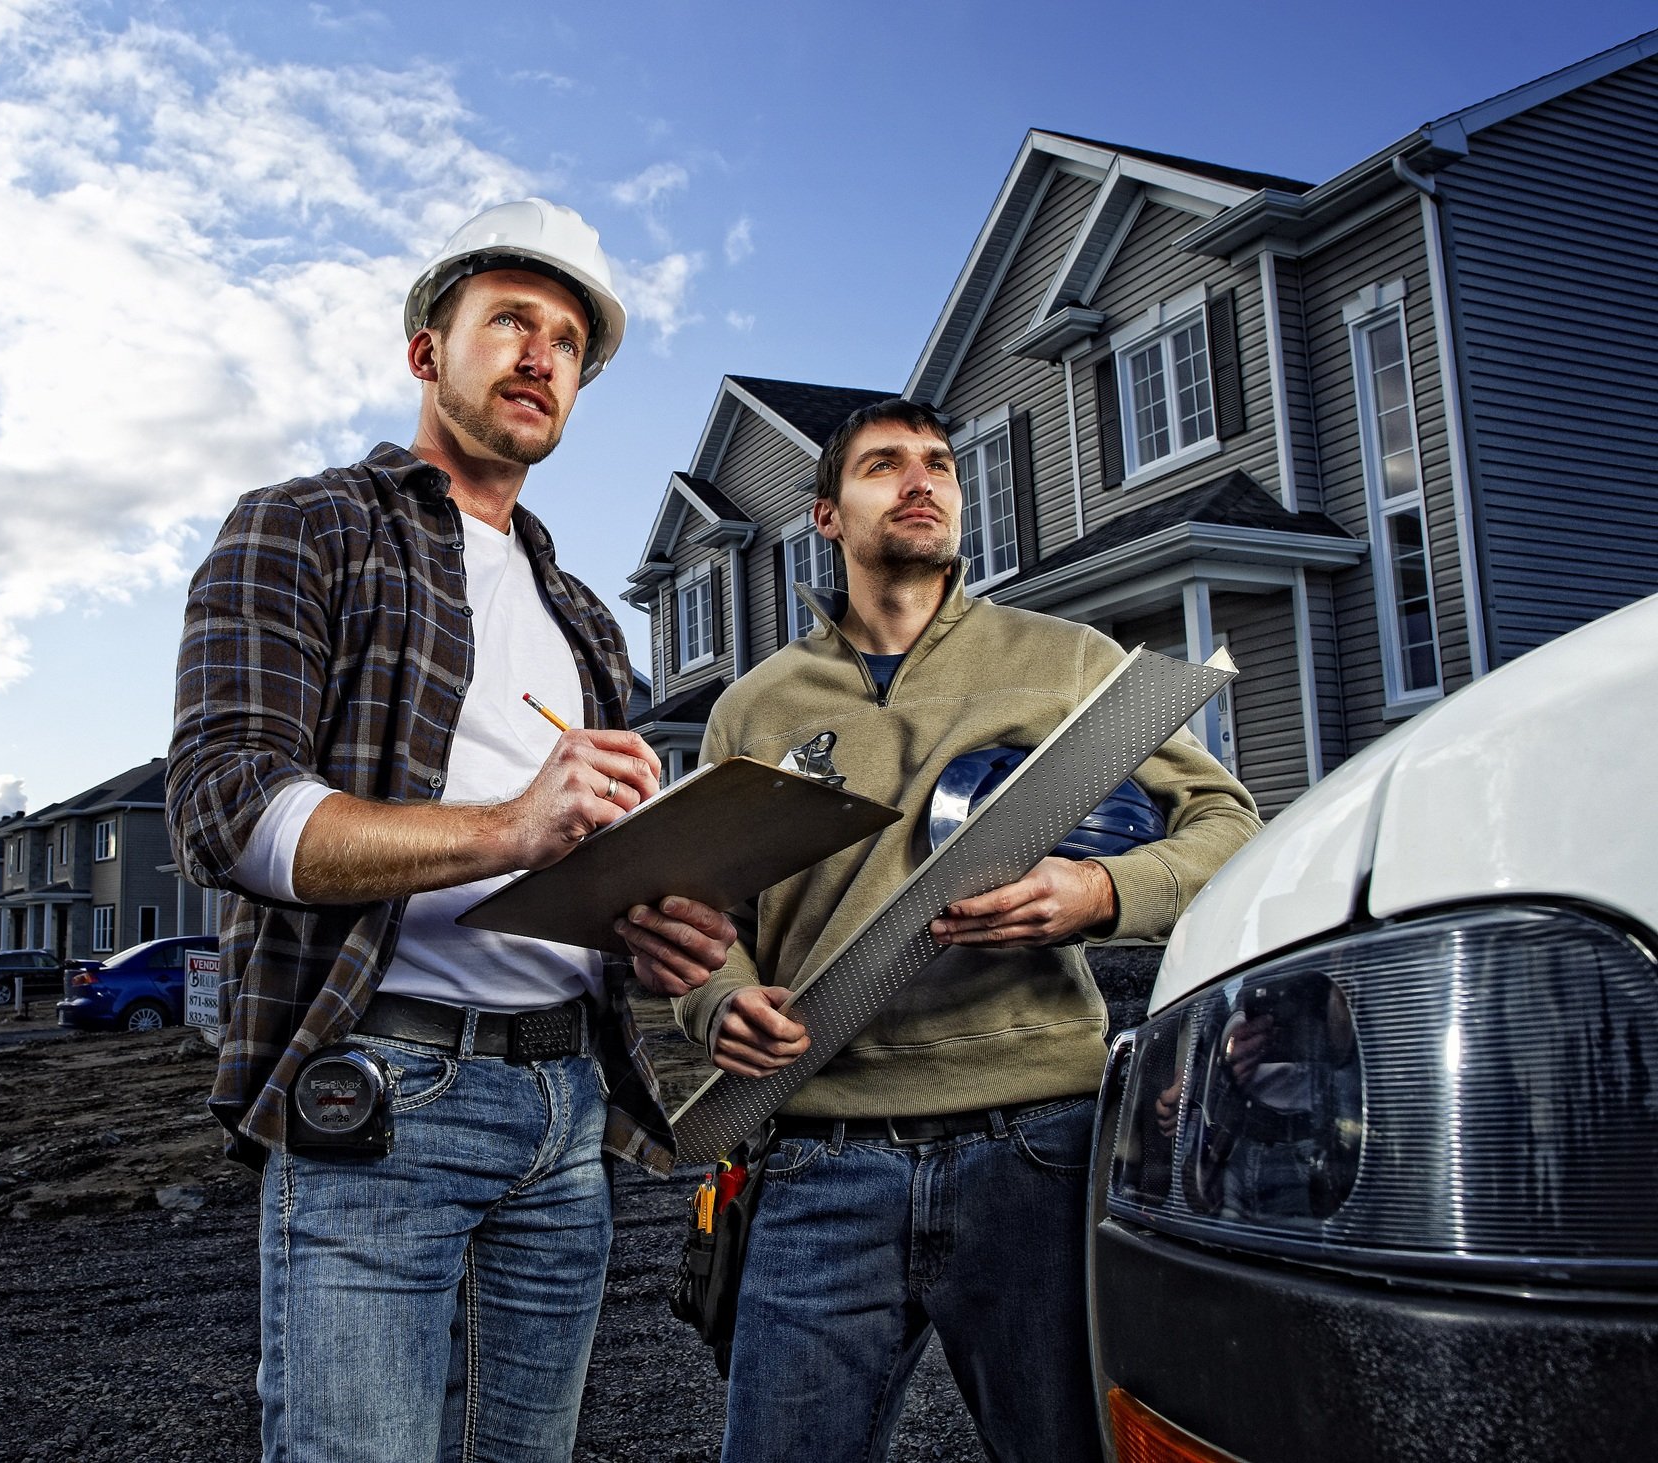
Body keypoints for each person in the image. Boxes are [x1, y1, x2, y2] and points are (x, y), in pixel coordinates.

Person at [167, 198, 736, 1463]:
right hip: (388, 1088)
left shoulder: (587, 618)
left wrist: (653, 922)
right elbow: (224, 803)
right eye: (510, 323)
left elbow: (573, 863)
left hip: (570, 1100)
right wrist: (513, 823)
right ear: (428, 352)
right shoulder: (307, 527)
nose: (542, 356)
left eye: (569, 343)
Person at [673, 397, 1262, 1463]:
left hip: (1038, 1147)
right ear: (823, 515)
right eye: (884, 465)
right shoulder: (752, 708)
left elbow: (1228, 820)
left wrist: (1100, 892)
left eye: (939, 464)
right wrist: (720, 999)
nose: (921, 481)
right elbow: (704, 916)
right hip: (818, 1154)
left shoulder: (1067, 660)